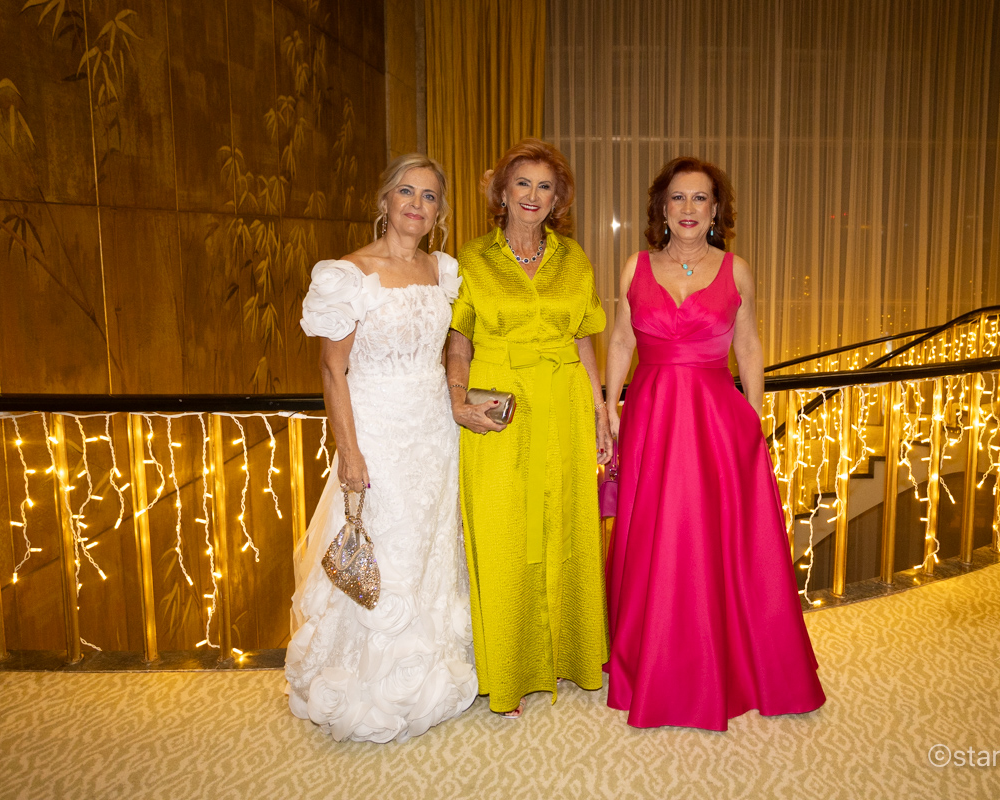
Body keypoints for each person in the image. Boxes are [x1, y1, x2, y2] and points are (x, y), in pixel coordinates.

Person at [602, 156, 826, 730]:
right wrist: (610, 406)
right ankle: (654, 660)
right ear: (661, 207)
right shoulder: (635, 267)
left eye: (699, 198)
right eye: (677, 198)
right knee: (655, 535)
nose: (688, 209)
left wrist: (753, 415)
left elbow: (748, 346)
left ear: (716, 209)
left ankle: (728, 662)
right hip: (652, 415)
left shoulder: (737, 270)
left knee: (718, 541)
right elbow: (622, 341)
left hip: (714, 422)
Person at [285, 154, 478, 743]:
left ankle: (429, 670)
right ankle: (364, 683)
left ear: (440, 211)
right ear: (385, 200)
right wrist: (349, 451)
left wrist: (465, 399)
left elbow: (452, 348)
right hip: (378, 431)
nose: (417, 205)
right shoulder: (349, 274)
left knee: (430, 547)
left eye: (429, 196)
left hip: (434, 433)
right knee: (382, 549)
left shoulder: (442, 271)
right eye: (406, 192)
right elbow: (332, 370)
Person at [445, 139, 612, 718]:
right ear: (502, 192)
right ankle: (509, 671)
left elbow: (584, 339)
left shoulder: (574, 259)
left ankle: (572, 655)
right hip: (500, 410)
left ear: (558, 198)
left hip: (564, 405)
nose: (533, 196)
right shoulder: (472, 259)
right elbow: (459, 340)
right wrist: (458, 400)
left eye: (545, 186)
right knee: (502, 534)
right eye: (523, 184)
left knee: (567, 528)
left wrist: (600, 412)